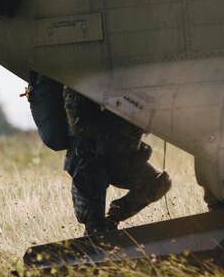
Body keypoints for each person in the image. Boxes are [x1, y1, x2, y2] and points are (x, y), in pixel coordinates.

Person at [62, 86, 172, 236]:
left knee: (159, 181)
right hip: (89, 161)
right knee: (95, 228)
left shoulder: (137, 82)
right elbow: (79, 125)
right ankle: (95, 241)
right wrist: (121, 128)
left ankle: (112, 220)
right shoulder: (78, 82)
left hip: (120, 157)